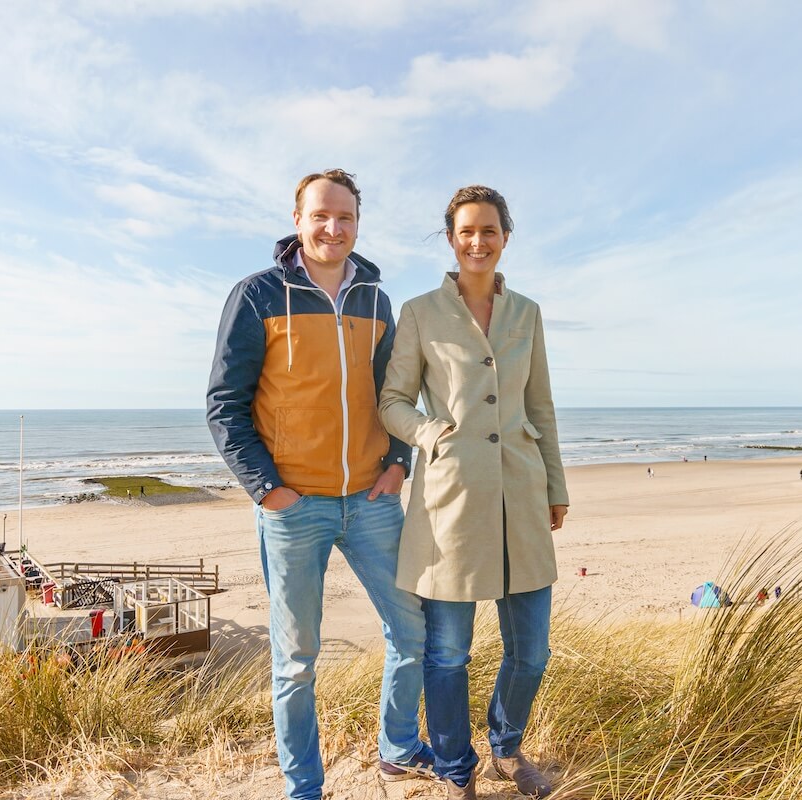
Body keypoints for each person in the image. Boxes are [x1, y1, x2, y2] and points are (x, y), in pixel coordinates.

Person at [207, 169, 430, 800]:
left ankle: (397, 750)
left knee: (411, 630)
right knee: (297, 661)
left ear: (358, 223)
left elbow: (393, 394)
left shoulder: (374, 299)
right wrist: (266, 488)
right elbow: (225, 401)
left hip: (371, 498)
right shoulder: (257, 295)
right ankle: (304, 786)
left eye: (346, 218)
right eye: (322, 216)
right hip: (292, 507)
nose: (334, 228)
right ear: (298, 220)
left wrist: (397, 463)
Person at [380, 185, 569, 800]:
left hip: (522, 490)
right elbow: (393, 401)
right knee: (449, 652)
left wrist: (555, 485)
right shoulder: (419, 312)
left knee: (532, 651)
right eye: (466, 231)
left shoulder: (528, 313)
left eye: (489, 230)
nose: (477, 241)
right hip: (452, 498)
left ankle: (507, 749)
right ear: (451, 238)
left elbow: (539, 404)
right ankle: (457, 767)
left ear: (505, 237)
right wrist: (430, 432)